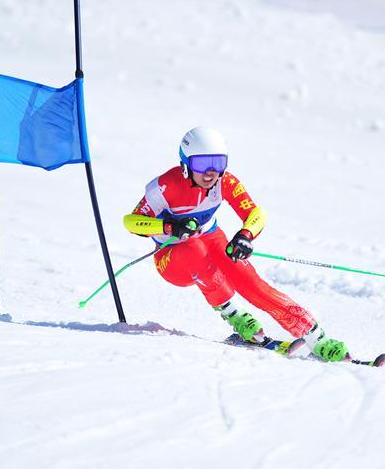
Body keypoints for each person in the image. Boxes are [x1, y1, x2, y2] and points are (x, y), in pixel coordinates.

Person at [122, 126, 350, 361]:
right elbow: (131, 221)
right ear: (186, 163)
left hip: (211, 239)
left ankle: (317, 338)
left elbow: (256, 213)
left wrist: (245, 235)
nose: (211, 173)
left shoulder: (224, 182)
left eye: (218, 163)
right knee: (194, 248)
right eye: (202, 164)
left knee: (251, 283)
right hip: (171, 258)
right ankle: (237, 317)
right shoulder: (165, 186)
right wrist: (169, 227)